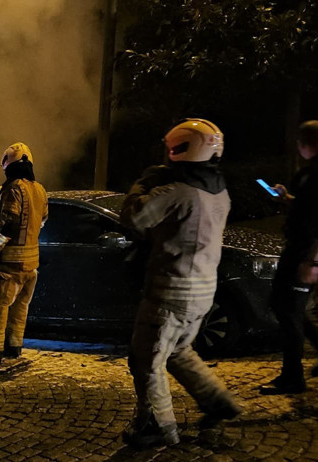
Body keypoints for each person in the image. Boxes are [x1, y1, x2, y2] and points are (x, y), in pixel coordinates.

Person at [120, 119, 242, 448]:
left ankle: (157, 427)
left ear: (180, 149)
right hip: (202, 291)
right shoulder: (219, 191)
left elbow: (134, 218)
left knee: (145, 361)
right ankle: (218, 402)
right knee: (179, 352)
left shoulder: (176, 191)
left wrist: (143, 184)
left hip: (169, 293)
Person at [0, 142, 48, 366]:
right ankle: (14, 346)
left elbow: (10, 224)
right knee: (20, 307)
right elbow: (41, 220)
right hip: (31, 264)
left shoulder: (13, 189)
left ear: (10, 166)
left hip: (10, 264)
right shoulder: (40, 190)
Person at [259, 120, 318, 395]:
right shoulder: (309, 172)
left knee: (287, 308)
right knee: (287, 307)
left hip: (305, 252)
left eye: (300, 141)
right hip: (298, 248)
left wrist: (313, 260)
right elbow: (308, 207)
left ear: (308, 143)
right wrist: (288, 199)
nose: (297, 146)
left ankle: (293, 378)